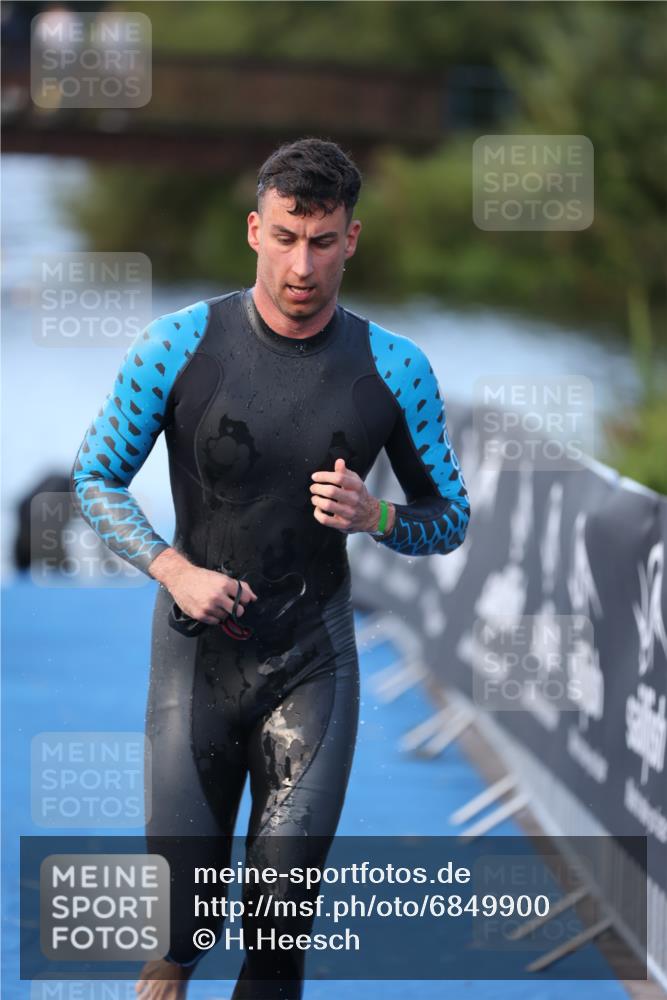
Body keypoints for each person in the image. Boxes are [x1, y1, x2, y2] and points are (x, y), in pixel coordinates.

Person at [71, 137, 470, 1000]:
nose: (302, 263)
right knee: (182, 925)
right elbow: (95, 476)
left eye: (322, 241)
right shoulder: (175, 346)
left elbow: (451, 519)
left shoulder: (396, 369)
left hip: (312, 657)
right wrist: (173, 570)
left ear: (351, 241)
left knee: (279, 920)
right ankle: (170, 963)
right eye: (286, 236)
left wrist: (381, 517)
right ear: (255, 229)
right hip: (195, 654)